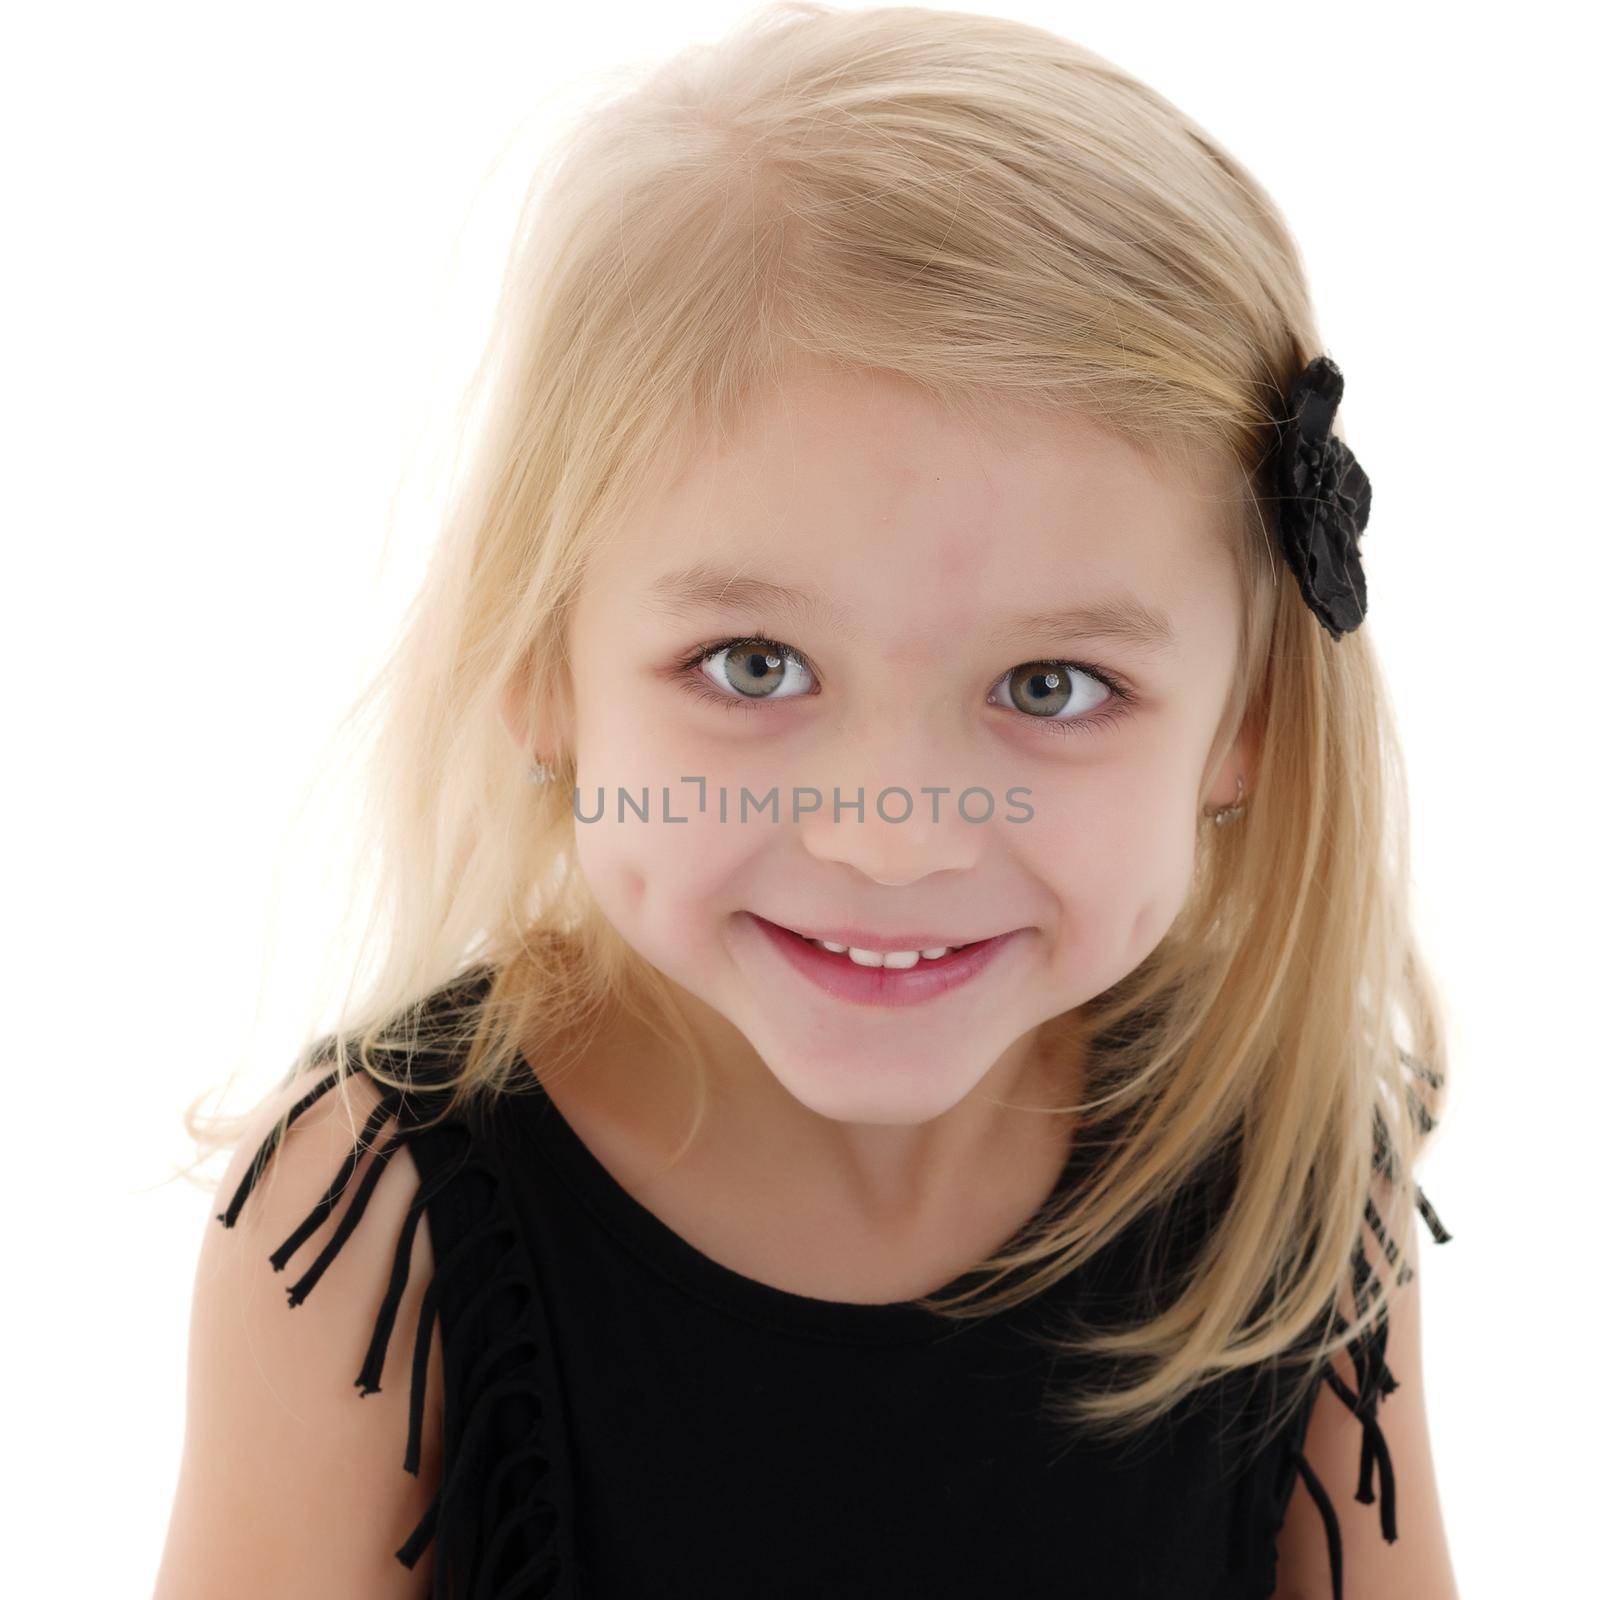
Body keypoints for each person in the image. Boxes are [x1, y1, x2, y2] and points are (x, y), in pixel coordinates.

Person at [154, 6, 1458, 1597]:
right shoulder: (371, 1225)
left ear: (1243, 722)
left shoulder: (1287, 1181)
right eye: (754, 665)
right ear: (544, 665)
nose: (890, 835)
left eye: (1051, 687)